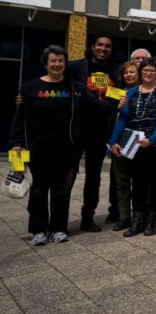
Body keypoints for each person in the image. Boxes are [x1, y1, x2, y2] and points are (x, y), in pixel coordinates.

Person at [10, 45, 103, 245]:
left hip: (67, 149)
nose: (57, 64)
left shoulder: (75, 87)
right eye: (53, 61)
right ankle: (38, 230)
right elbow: (20, 118)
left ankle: (59, 228)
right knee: (39, 191)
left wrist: (120, 100)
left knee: (62, 191)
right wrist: (16, 143)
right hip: (37, 149)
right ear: (46, 63)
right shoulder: (29, 88)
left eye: (61, 61)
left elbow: (97, 106)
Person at [109, 59, 156, 237]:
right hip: (134, 144)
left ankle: (150, 221)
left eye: (152, 70)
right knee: (138, 183)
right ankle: (137, 221)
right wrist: (114, 140)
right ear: (140, 73)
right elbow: (122, 118)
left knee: (154, 183)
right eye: (145, 70)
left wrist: (152, 140)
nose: (148, 73)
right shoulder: (130, 93)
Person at [67, 34, 119, 233]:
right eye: (100, 45)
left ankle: (87, 217)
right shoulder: (76, 67)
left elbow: (120, 96)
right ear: (93, 46)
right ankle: (58, 218)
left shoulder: (115, 70)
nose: (103, 49)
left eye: (107, 46)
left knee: (94, 176)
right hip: (77, 129)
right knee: (68, 175)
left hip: (101, 131)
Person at [109, 61, 140, 231]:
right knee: (121, 181)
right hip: (118, 141)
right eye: (126, 72)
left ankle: (138, 216)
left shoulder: (144, 91)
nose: (129, 75)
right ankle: (123, 217)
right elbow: (109, 114)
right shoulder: (115, 93)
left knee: (139, 181)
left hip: (137, 140)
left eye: (132, 72)